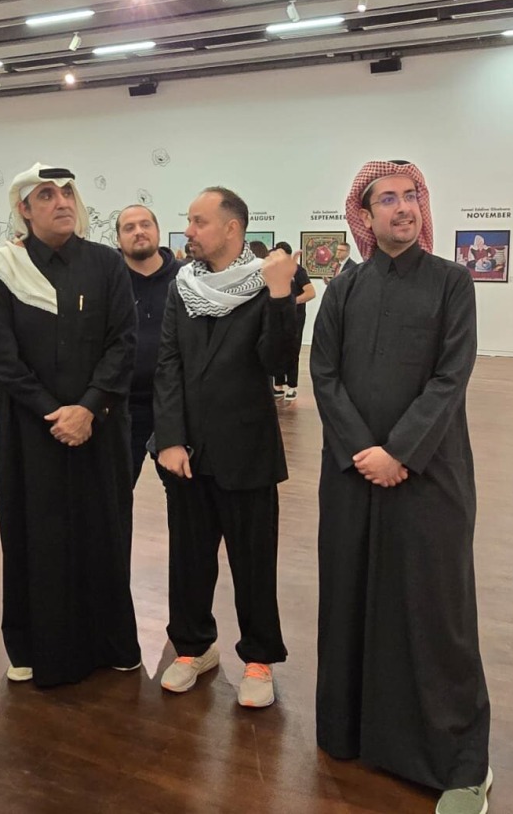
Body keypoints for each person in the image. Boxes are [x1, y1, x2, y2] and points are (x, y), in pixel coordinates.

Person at [311, 160, 492, 814]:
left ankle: (460, 761)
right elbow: (323, 375)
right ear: (363, 216)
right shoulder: (343, 290)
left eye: (410, 195)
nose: (402, 208)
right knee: (353, 599)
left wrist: (399, 453)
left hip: (430, 477)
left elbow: (451, 377)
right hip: (353, 477)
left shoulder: (452, 283)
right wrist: (363, 450)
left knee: (433, 613)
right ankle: (352, 733)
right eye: (386, 199)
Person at [0, 163, 140, 687]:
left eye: (67, 192)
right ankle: (33, 648)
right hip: (31, 433)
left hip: (101, 427)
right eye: (45, 195)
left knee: (104, 532)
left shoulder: (106, 264)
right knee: (35, 535)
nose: (61, 202)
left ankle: (111, 643)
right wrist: (56, 411)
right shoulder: (4, 270)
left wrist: (88, 407)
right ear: (23, 209)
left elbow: (122, 342)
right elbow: (2, 359)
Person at [153, 187, 299, 709]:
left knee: (254, 560)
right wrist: (169, 438)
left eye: (198, 221)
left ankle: (259, 658)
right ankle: (193, 647)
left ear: (232, 229)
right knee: (189, 559)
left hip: (247, 449)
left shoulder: (267, 282)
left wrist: (281, 296)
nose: (188, 230)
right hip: (187, 451)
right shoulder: (183, 285)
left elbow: (278, 361)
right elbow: (167, 362)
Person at [117, 203, 181, 485]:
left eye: (145, 224)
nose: (139, 232)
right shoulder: (109, 281)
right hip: (122, 408)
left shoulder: (186, 278)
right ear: (118, 239)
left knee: (183, 498)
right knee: (115, 496)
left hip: (174, 407)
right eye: (129, 227)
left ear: (158, 231)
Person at [270, 241, 314, 400]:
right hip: (277, 317)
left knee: (292, 350)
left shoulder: (298, 271)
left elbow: (310, 293)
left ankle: (292, 386)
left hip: (295, 318)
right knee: (277, 349)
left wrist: (291, 302)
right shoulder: (274, 271)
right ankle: (279, 385)